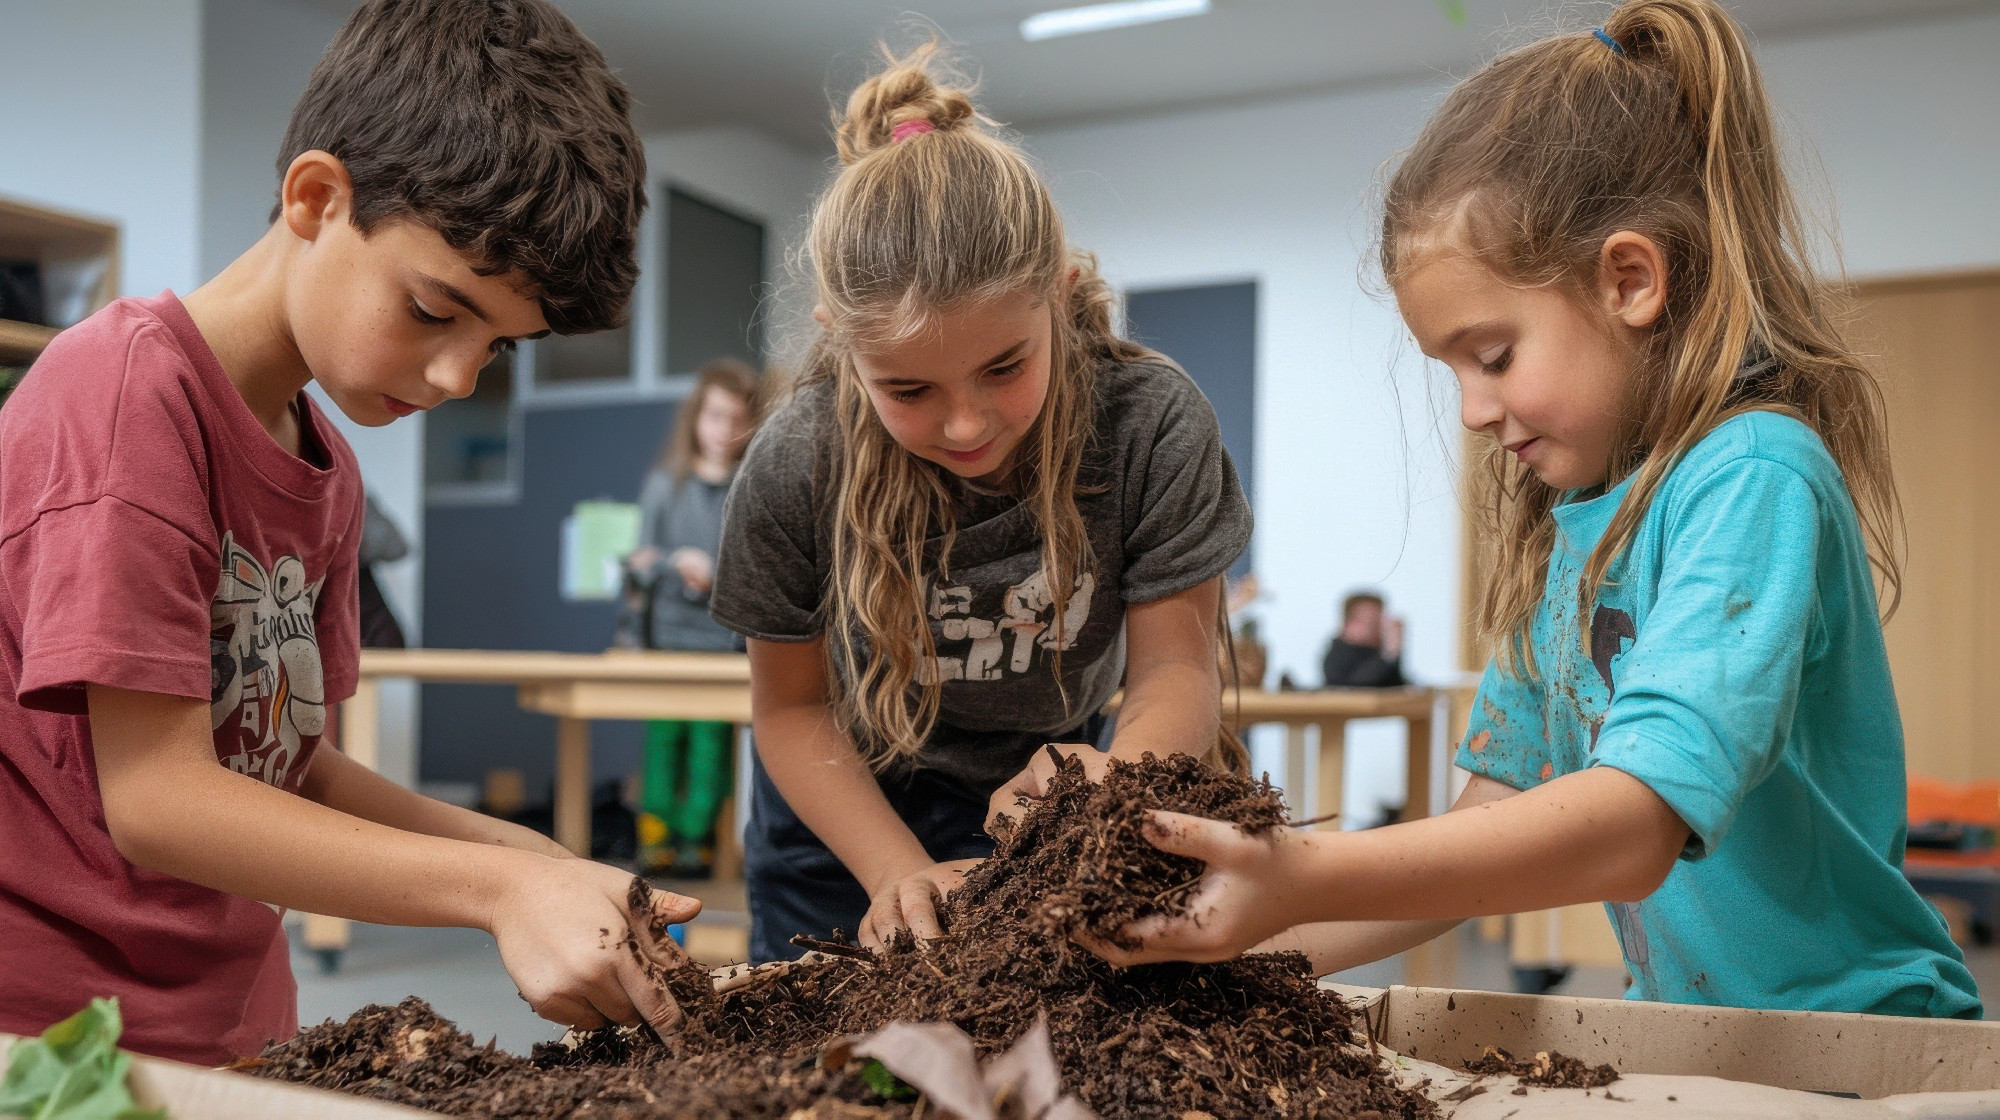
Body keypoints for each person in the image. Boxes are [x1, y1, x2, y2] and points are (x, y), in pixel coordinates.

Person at [1078, 0, 1980, 1018]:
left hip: (1853, 1042)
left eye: (1492, 355)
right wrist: (1228, 964)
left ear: (1629, 280)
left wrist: (1302, 868)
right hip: (1697, 1032)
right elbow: (1490, 814)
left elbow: (1633, 824)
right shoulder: (1575, 526)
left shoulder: (1752, 474)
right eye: (1449, 369)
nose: (1470, 411)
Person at [0, 0, 702, 1066]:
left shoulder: (326, 468)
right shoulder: (121, 399)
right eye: (434, 311)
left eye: (497, 348)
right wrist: (498, 889)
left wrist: (538, 857)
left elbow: (297, 769)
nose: (456, 375)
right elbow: (158, 797)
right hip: (58, 1037)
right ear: (318, 198)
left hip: (232, 1023)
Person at [709, 43, 1253, 964]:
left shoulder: (1148, 423)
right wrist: (894, 869)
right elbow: (792, 712)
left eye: (1005, 367)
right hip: (847, 818)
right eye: (909, 391)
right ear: (842, 347)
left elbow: (1178, 673)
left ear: (1060, 296)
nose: (965, 425)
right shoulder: (798, 457)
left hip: (1053, 784)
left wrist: (1111, 780)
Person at [625, 358, 759, 878]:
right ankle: (656, 838)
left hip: (722, 643)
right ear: (697, 419)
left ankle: (698, 841)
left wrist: (718, 573)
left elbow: (761, 567)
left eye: (737, 418)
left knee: (711, 747)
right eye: (717, 416)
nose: (726, 430)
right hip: (667, 642)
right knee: (664, 741)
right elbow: (639, 560)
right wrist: (673, 562)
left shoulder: (750, 488)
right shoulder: (666, 484)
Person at [1320, 591, 1405, 688]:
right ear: (1349, 623)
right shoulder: (1337, 655)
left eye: (1378, 621)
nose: (1377, 628)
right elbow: (1354, 687)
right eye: (1370, 621)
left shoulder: (1376, 654)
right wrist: (1388, 655)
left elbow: (1395, 685)